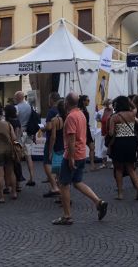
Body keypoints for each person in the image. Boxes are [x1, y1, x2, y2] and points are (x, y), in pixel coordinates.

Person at [52, 93, 108, 225]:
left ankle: (67, 216)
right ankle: (98, 202)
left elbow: (71, 139)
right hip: (82, 153)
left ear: (66, 103)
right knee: (77, 182)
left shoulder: (71, 117)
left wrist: (70, 158)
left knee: (63, 184)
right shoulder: (81, 114)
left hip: (73, 154)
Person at [108, 95, 138, 200]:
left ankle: (120, 194)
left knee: (118, 169)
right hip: (131, 142)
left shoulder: (114, 117)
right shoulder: (132, 114)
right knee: (131, 168)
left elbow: (110, 133)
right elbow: (135, 108)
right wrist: (129, 100)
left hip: (119, 142)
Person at [14, 91, 36, 187]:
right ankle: (31, 177)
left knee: (17, 156)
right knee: (28, 156)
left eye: (15, 98)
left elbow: (15, 121)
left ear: (18, 98)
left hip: (20, 133)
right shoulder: (30, 107)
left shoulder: (16, 107)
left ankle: (18, 182)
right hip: (29, 133)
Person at [42, 92, 62, 198]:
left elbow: (49, 127)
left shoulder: (52, 111)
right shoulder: (63, 110)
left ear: (52, 100)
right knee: (59, 164)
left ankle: (54, 186)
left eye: (49, 99)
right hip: (62, 140)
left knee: (47, 163)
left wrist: (43, 128)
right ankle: (60, 188)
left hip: (52, 140)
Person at [78, 95, 98, 172]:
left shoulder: (84, 109)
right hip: (82, 131)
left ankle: (92, 165)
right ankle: (80, 167)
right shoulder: (80, 110)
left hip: (87, 130)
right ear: (83, 101)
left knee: (92, 147)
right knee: (81, 149)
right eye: (87, 100)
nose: (89, 101)